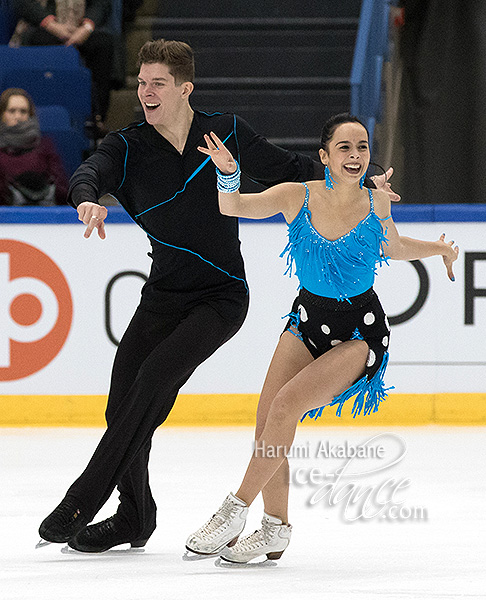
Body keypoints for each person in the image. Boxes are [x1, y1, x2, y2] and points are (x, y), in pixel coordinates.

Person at [36, 40, 399, 554]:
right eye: (141, 83)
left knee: (156, 378)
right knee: (122, 403)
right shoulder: (128, 146)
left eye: (157, 83)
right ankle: (135, 516)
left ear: (184, 89)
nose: (145, 92)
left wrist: (354, 180)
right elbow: (88, 171)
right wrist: (86, 199)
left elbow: (287, 166)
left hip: (222, 297)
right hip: (164, 293)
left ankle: (82, 499)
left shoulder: (223, 131)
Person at [185, 114, 459, 564]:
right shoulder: (297, 196)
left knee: (287, 404)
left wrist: (440, 248)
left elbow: (391, 247)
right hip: (307, 321)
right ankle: (275, 529)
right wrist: (228, 170)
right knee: (267, 419)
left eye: (363, 147)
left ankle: (235, 510)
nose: (355, 156)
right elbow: (232, 207)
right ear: (324, 156)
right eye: (345, 148)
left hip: (359, 333)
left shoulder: (377, 203)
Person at [11, 0, 114, 132]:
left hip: (81, 30)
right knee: (39, 40)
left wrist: (86, 28)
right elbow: (24, 4)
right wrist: (52, 26)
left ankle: (96, 118)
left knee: (103, 44)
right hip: (44, 28)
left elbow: (102, 4)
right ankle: (39, 115)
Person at [0, 87, 68, 205]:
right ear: (2, 114)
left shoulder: (45, 146)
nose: (18, 116)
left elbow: (62, 189)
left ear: (30, 114)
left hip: (44, 214)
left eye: (23, 111)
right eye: (12, 111)